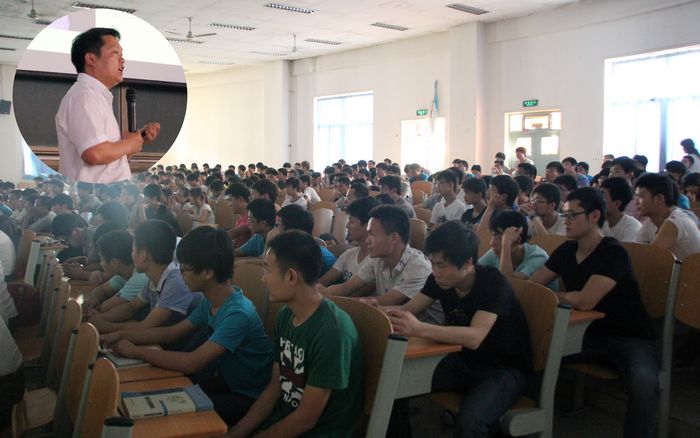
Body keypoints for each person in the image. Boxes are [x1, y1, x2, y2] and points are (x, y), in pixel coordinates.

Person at [102, 226, 273, 425]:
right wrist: (120, 335)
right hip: (227, 381)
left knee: (171, 415)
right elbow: (171, 333)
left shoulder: (237, 313)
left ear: (207, 272)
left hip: (248, 395)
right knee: (158, 394)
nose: (180, 274)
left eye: (184, 269)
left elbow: (191, 362)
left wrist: (135, 351)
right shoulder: (211, 302)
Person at [530, 187, 658, 438]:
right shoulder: (567, 250)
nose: (566, 221)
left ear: (594, 215)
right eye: (564, 215)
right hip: (586, 334)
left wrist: (558, 296)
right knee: (535, 353)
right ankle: (527, 422)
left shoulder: (612, 252)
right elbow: (534, 287)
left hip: (629, 337)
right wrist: (567, 297)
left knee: (645, 383)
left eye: (572, 215)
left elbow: (586, 301)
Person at [388, 221, 531, 437]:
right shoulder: (439, 280)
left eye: (441, 265)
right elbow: (407, 310)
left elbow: (475, 337)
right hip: (462, 361)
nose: (435, 271)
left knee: (470, 425)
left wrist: (418, 328)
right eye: (432, 263)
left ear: (467, 263)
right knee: (391, 385)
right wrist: (374, 309)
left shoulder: (493, 282)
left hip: (502, 369)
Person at [229, 230, 363, 437]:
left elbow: (305, 420)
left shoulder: (333, 333)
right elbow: (275, 386)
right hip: (282, 422)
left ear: (291, 276)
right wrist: (235, 434)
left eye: (268, 270)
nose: (263, 279)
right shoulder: (286, 316)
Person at [56, 27, 160, 183]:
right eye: (115, 53)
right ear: (91, 59)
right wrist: (130, 143)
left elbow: (106, 165)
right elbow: (95, 153)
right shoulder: (84, 96)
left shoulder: (96, 96)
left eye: (122, 54)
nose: (122, 60)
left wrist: (138, 139)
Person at [87, 220, 203, 345]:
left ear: (143, 255)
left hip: (183, 348)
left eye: (133, 250)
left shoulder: (176, 282)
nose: (131, 255)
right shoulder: (154, 278)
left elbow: (146, 326)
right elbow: (130, 307)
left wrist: (104, 326)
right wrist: (99, 318)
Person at [321, 205, 442, 324]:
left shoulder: (418, 266)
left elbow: (387, 301)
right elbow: (345, 288)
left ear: (394, 238)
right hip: (393, 323)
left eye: (372, 234)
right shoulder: (377, 259)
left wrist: (330, 301)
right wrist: (320, 294)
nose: (367, 241)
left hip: (425, 330)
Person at [479, 210, 555, 289]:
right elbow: (476, 272)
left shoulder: (538, 258)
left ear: (517, 238)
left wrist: (506, 245)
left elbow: (509, 287)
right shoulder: (496, 252)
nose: (491, 243)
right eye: (493, 235)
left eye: (499, 237)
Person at [634, 173, 700, 261]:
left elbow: (648, 258)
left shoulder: (676, 221)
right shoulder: (650, 222)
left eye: (641, 196)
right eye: (636, 196)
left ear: (659, 198)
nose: (636, 202)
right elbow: (636, 252)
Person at [83, 229, 149, 317]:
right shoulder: (123, 274)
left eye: (101, 259)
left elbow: (105, 308)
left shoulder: (141, 277)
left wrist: (93, 308)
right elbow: (100, 290)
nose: (101, 264)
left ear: (114, 263)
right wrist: (95, 300)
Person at [319, 197, 378, 291]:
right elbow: (324, 281)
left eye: (351, 221)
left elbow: (352, 295)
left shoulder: (377, 261)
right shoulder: (349, 254)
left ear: (367, 225)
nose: (347, 226)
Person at [274, 205, 336, 275]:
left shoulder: (307, 255)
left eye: (278, 225)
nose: (275, 230)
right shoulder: (299, 247)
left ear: (290, 230)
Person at [600, 177, 642, 242]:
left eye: (602, 195)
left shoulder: (632, 226)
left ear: (617, 203)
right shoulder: (599, 222)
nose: (597, 199)